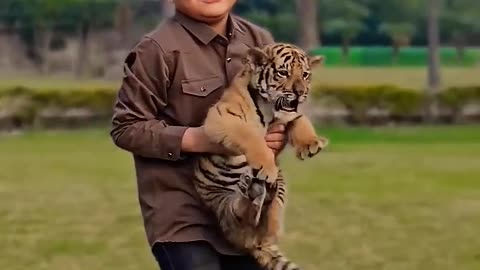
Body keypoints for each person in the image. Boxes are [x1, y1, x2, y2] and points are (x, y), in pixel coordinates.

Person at [110, 0, 287, 269]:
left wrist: (277, 137)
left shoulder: (259, 40)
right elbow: (127, 127)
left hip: (247, 210)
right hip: (183, 216)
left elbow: (275, 105)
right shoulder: (156, 50)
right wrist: (199, 140)